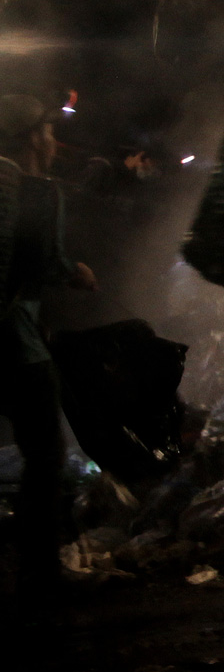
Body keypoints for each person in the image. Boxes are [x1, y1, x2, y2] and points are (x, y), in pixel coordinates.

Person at [0, 95, 97, 613]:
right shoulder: (38, 191)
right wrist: (76, 272)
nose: (55, 142)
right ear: (33, 138)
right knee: (45, 456)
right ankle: (39, 573)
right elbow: (46, 260)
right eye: (49, 132)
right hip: (16, 343)